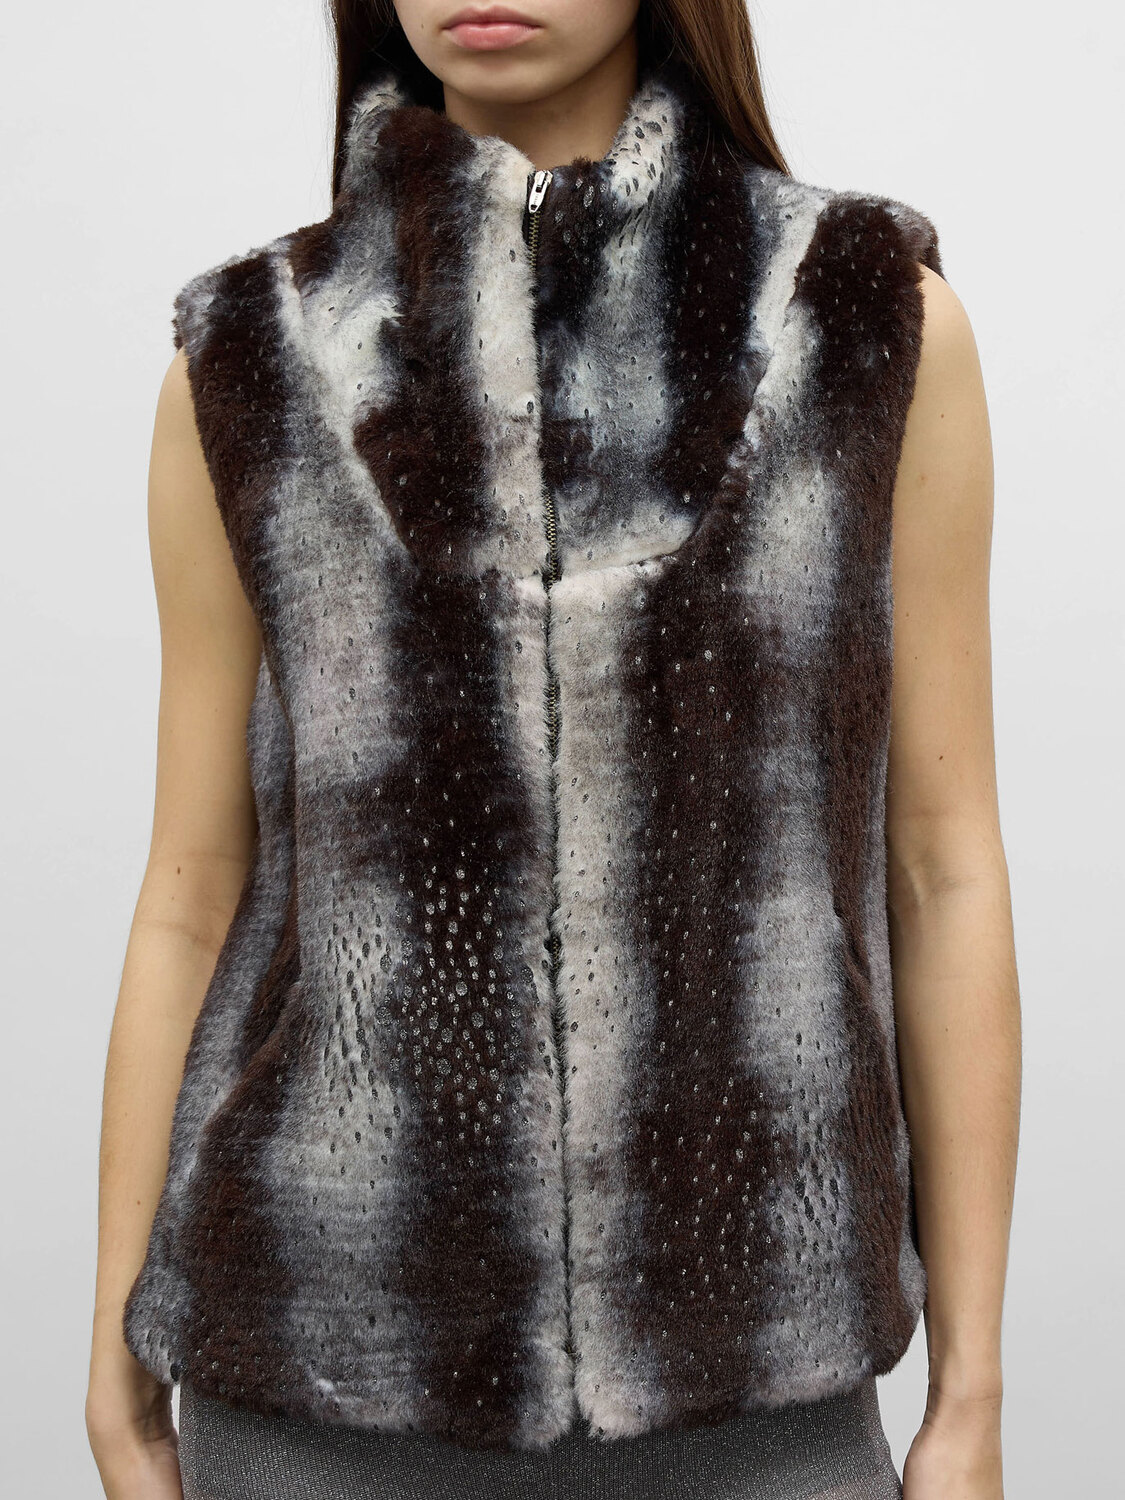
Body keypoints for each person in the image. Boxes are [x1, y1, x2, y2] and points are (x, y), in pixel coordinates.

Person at [85, 2, 1021, 1498]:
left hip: (755, 1390)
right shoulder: (248, 355)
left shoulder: (864, 317)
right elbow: (193, 890)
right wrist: (115, 1364)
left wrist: (970, 1391)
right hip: (314, 1381)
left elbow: (942, 866)